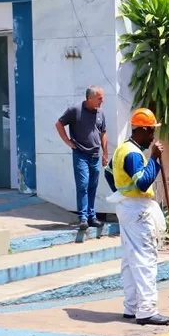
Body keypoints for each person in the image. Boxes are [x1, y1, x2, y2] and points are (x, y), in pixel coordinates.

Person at [103, 108, 169, 326]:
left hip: (126, 207)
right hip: (137, 210)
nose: (152, 136)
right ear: (142, 130)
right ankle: (147, 310)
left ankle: (131, 307)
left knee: (130, 259)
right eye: (151, 131)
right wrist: (155, 159)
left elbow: (108, 172)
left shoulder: (122, 149)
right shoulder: (133, 153)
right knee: (145, 258)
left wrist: (121, 193)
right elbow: (142, 183)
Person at [55, 87, 108, 230]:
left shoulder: (100, 113)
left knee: (92, 186)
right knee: (83, 185)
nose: (102, 101)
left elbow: (103, 132)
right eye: (99, 98)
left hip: (95, 155)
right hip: (81, 154)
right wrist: (68, 142)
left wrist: (105, 153)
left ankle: (92, 216)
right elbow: (59, 124)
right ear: (89, 98)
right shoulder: (75, 110)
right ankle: (83, 218)